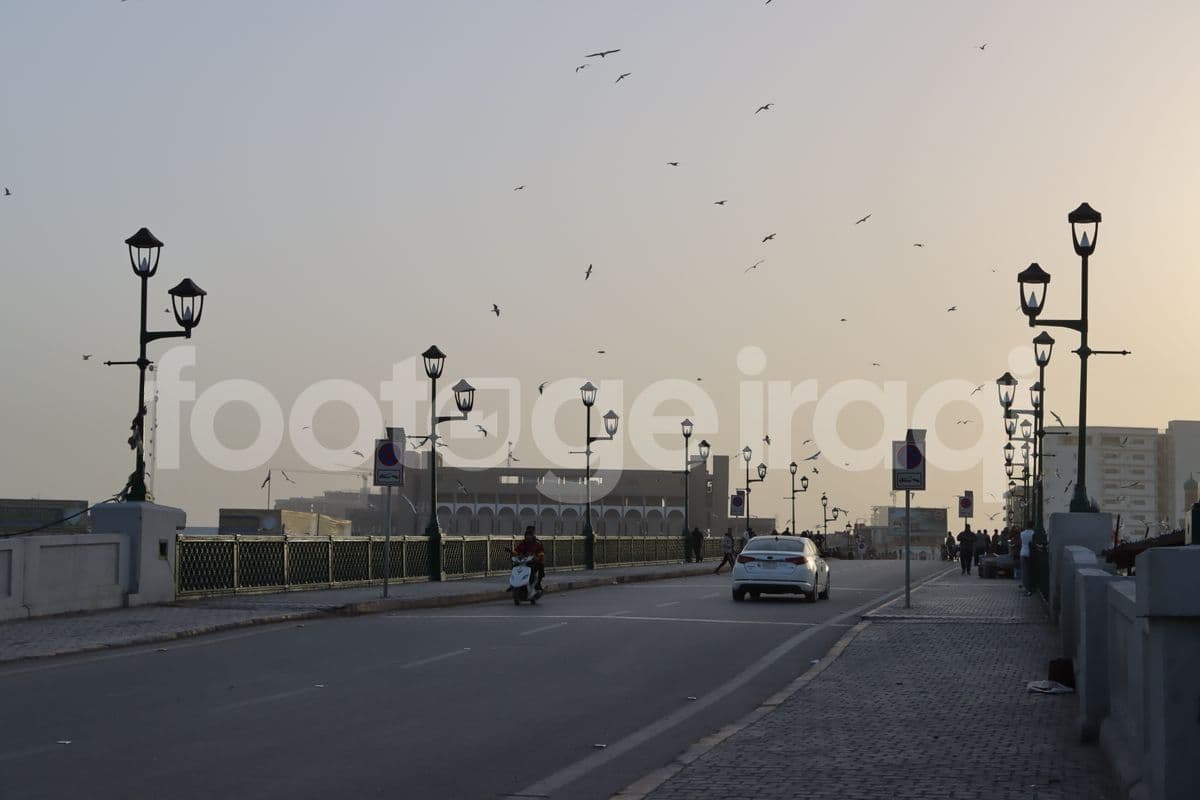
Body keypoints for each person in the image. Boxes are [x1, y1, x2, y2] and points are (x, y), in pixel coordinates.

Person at [513, 526, 545, 591]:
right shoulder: (522, 543)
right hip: (523, 562)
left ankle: (538, 583)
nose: (528, 536)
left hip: (533, 562)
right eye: (527, 534)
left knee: (540, 566)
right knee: (514, 567)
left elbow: (541, 552)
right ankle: (513, 583)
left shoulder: (537, 543)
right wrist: (514, 554)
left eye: (530, 534)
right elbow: (517, 550)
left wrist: (538, 557)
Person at [1019, 523, 1035, 596]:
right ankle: (1029, 588)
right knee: (1030, 572)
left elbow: (1022, 542)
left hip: (1023, 552)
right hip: (1030, 553)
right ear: (1032, 526)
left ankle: (1024, 586)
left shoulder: (1022, 533)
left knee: (1024, 571)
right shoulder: (1033, 533)